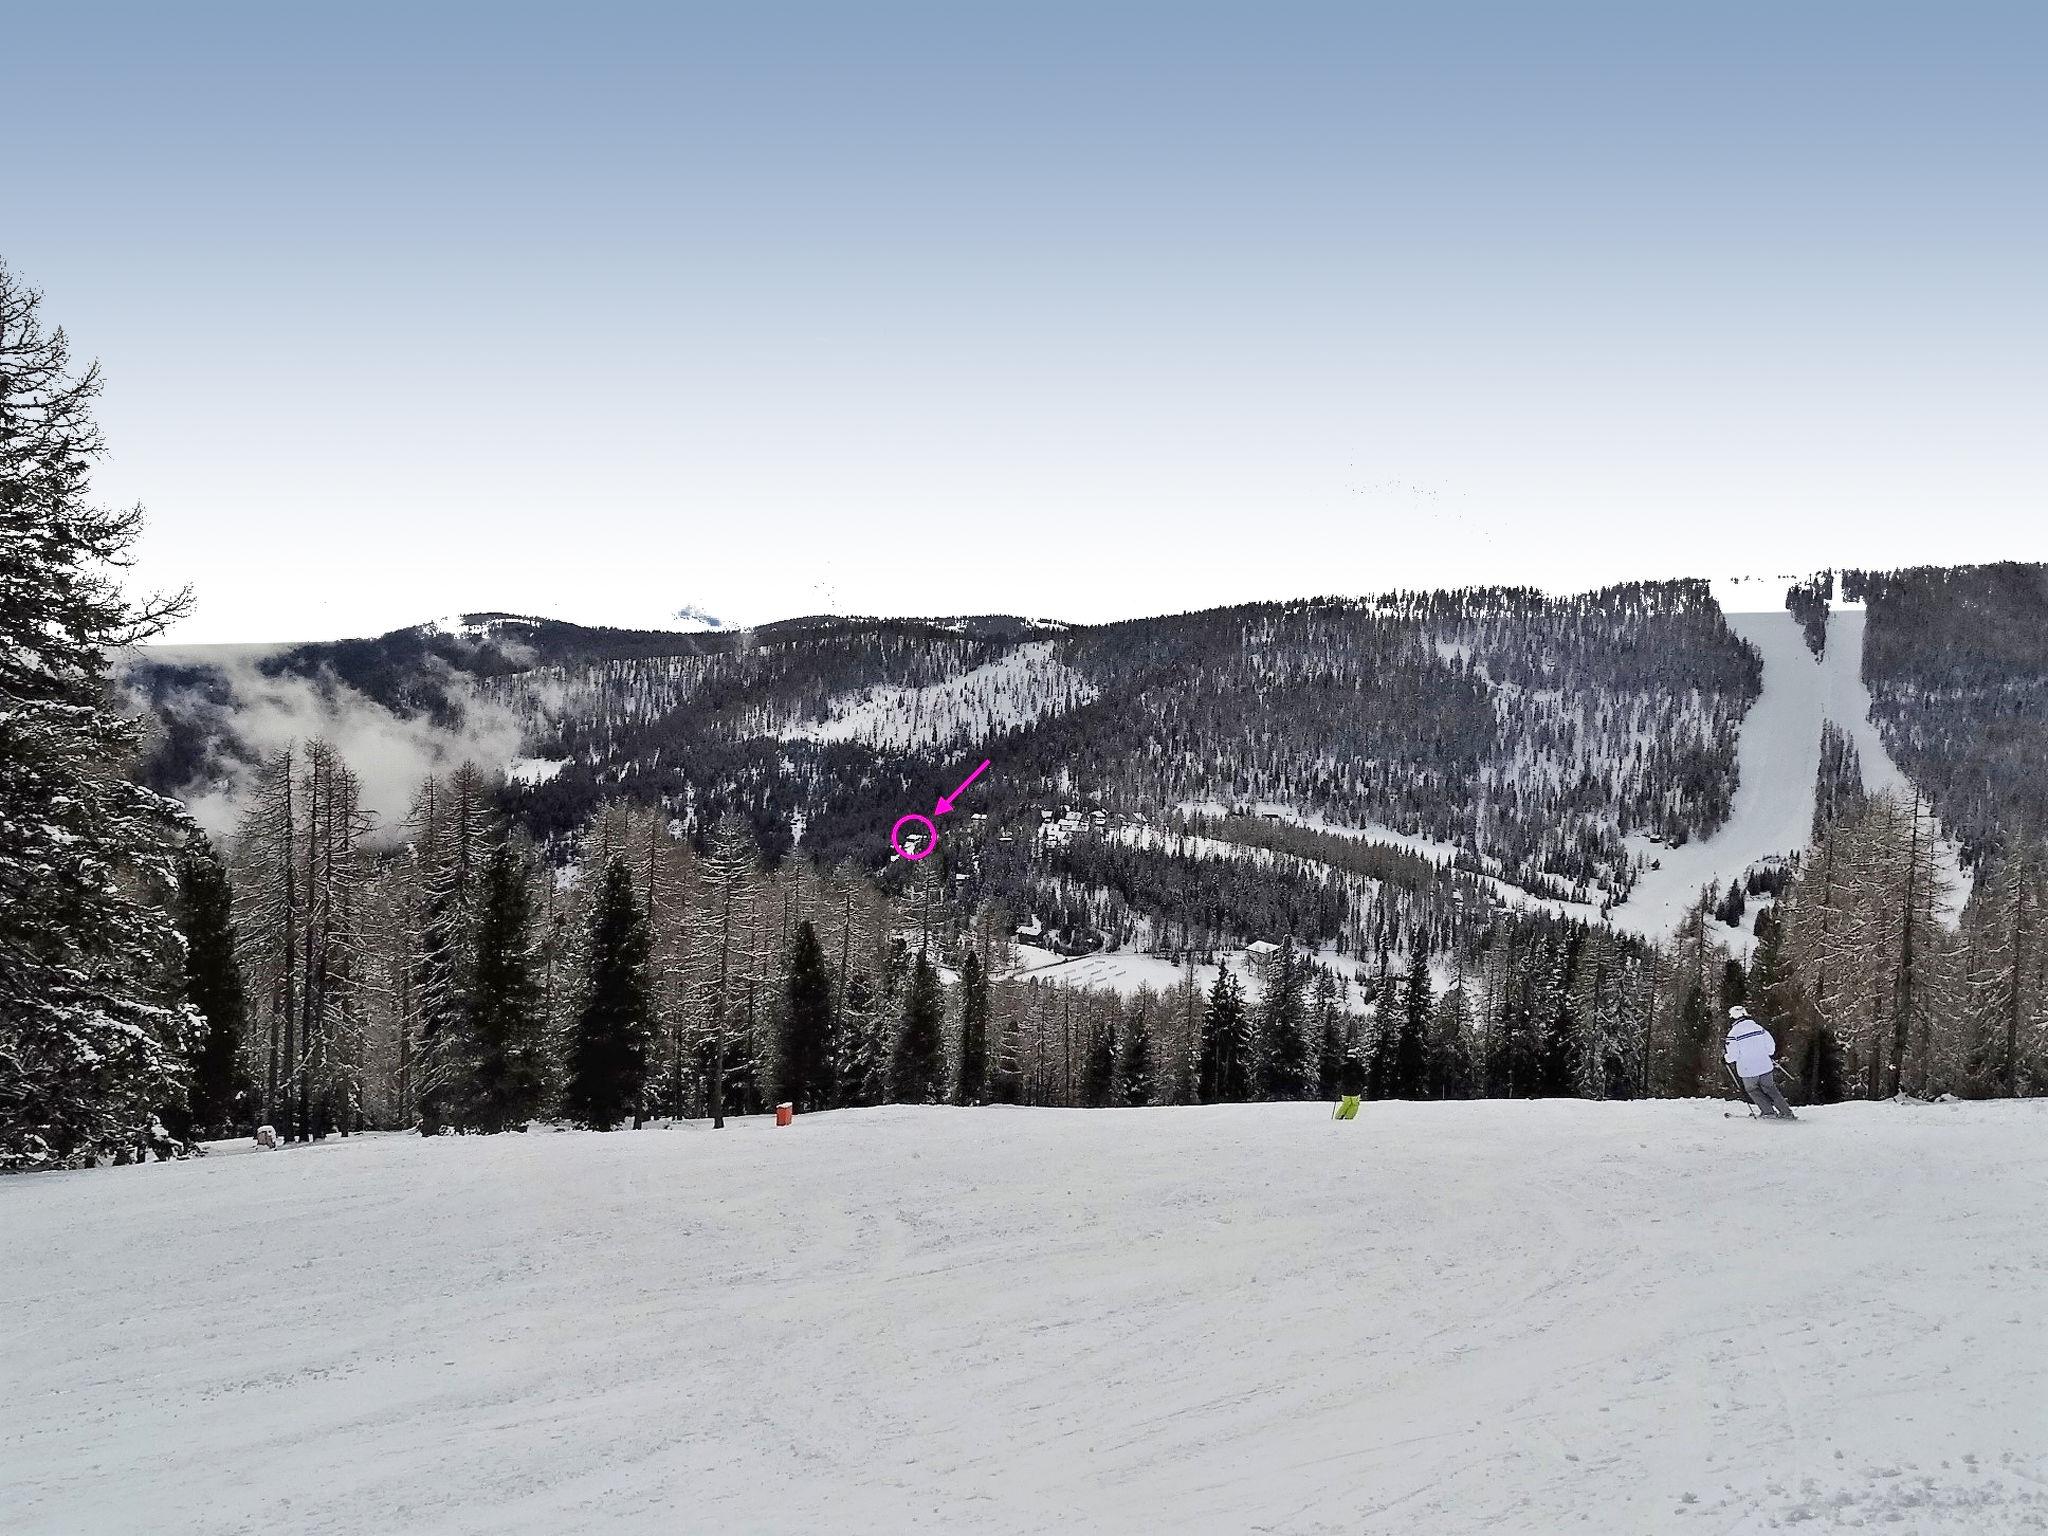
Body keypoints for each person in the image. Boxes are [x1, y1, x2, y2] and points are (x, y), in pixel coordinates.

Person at [1724, 1006, 1797, 1120]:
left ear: (1732, 1018)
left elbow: (1733, 1056)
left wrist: (1725, 1058)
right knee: (1770, 1089)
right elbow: (1771, 1048)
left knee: (1752, 1089)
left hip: (1748, 1069)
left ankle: (1768, 1112)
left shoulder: (1733, 1034)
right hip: (1765, 1066)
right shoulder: (1759, 1028)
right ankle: (1786, 1112)